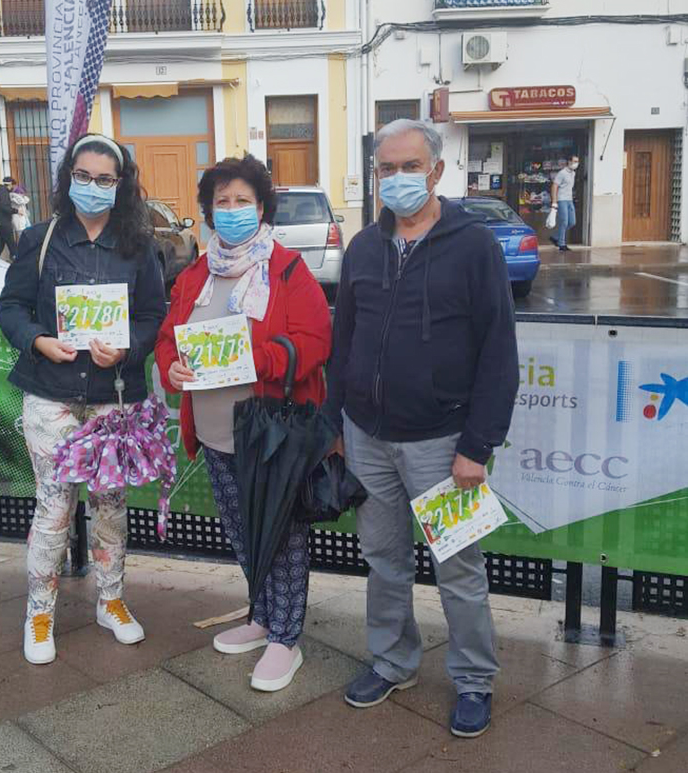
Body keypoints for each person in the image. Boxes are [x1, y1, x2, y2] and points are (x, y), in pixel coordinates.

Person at [324, 119, 518, 738]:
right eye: (387, 168)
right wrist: (335, 423)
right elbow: (343, 343)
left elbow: (499, 352)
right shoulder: (363, 247)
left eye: (410, 166)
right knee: (384, 562)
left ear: (436, 171)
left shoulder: (474, 246)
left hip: (443, 442)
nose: (398, 178)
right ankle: (392, 662)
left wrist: (477, 446)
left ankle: (474, 679)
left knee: (458, 567)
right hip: (367, 437)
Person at [155, 155, 331, 693]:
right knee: (241, 529)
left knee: (282, 534)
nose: (232, 210)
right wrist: (172, 367)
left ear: (261, 208)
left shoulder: (287, 270)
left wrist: (256, 360)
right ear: (209, 211)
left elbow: (315, 342)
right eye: (222, 202)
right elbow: (168, 339)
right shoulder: (195, 276)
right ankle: (261, 615)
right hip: (214, 431)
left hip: (270, 433)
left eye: (243, 201)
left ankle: (286, 638)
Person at [0, 134, 166, 666]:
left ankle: (110, 600)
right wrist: (37, 340)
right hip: (53, 395)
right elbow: (10, 307)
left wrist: (129, 348)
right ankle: (39, 611)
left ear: (121, 184)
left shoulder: (138, 245)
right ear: (69, 178)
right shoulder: (41, 239)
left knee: (110, 505)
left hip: (114, 399)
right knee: (53, 505)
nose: (93, 186)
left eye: (105, 179)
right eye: (84, 176)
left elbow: (153, 315)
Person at [550, 155, 579, 251]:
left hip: (569, 199)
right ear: (569, 162)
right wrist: (554, 201)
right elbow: (554, 186)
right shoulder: (562, 173)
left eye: (577, 161)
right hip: (561, 199)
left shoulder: (573, 173)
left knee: (572, 222)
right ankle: (561, 244)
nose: (576, 163)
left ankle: (555, 237)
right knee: (564, 222)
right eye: (574, 161)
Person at [0, 176, 18, 260]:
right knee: (11, 243)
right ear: (10, 185)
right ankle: (15, 259)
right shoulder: (4, 193)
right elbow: (5, 207)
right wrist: (16, 211)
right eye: (13, 186)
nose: (13, 188)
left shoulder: (0, 192)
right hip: (4, 222)